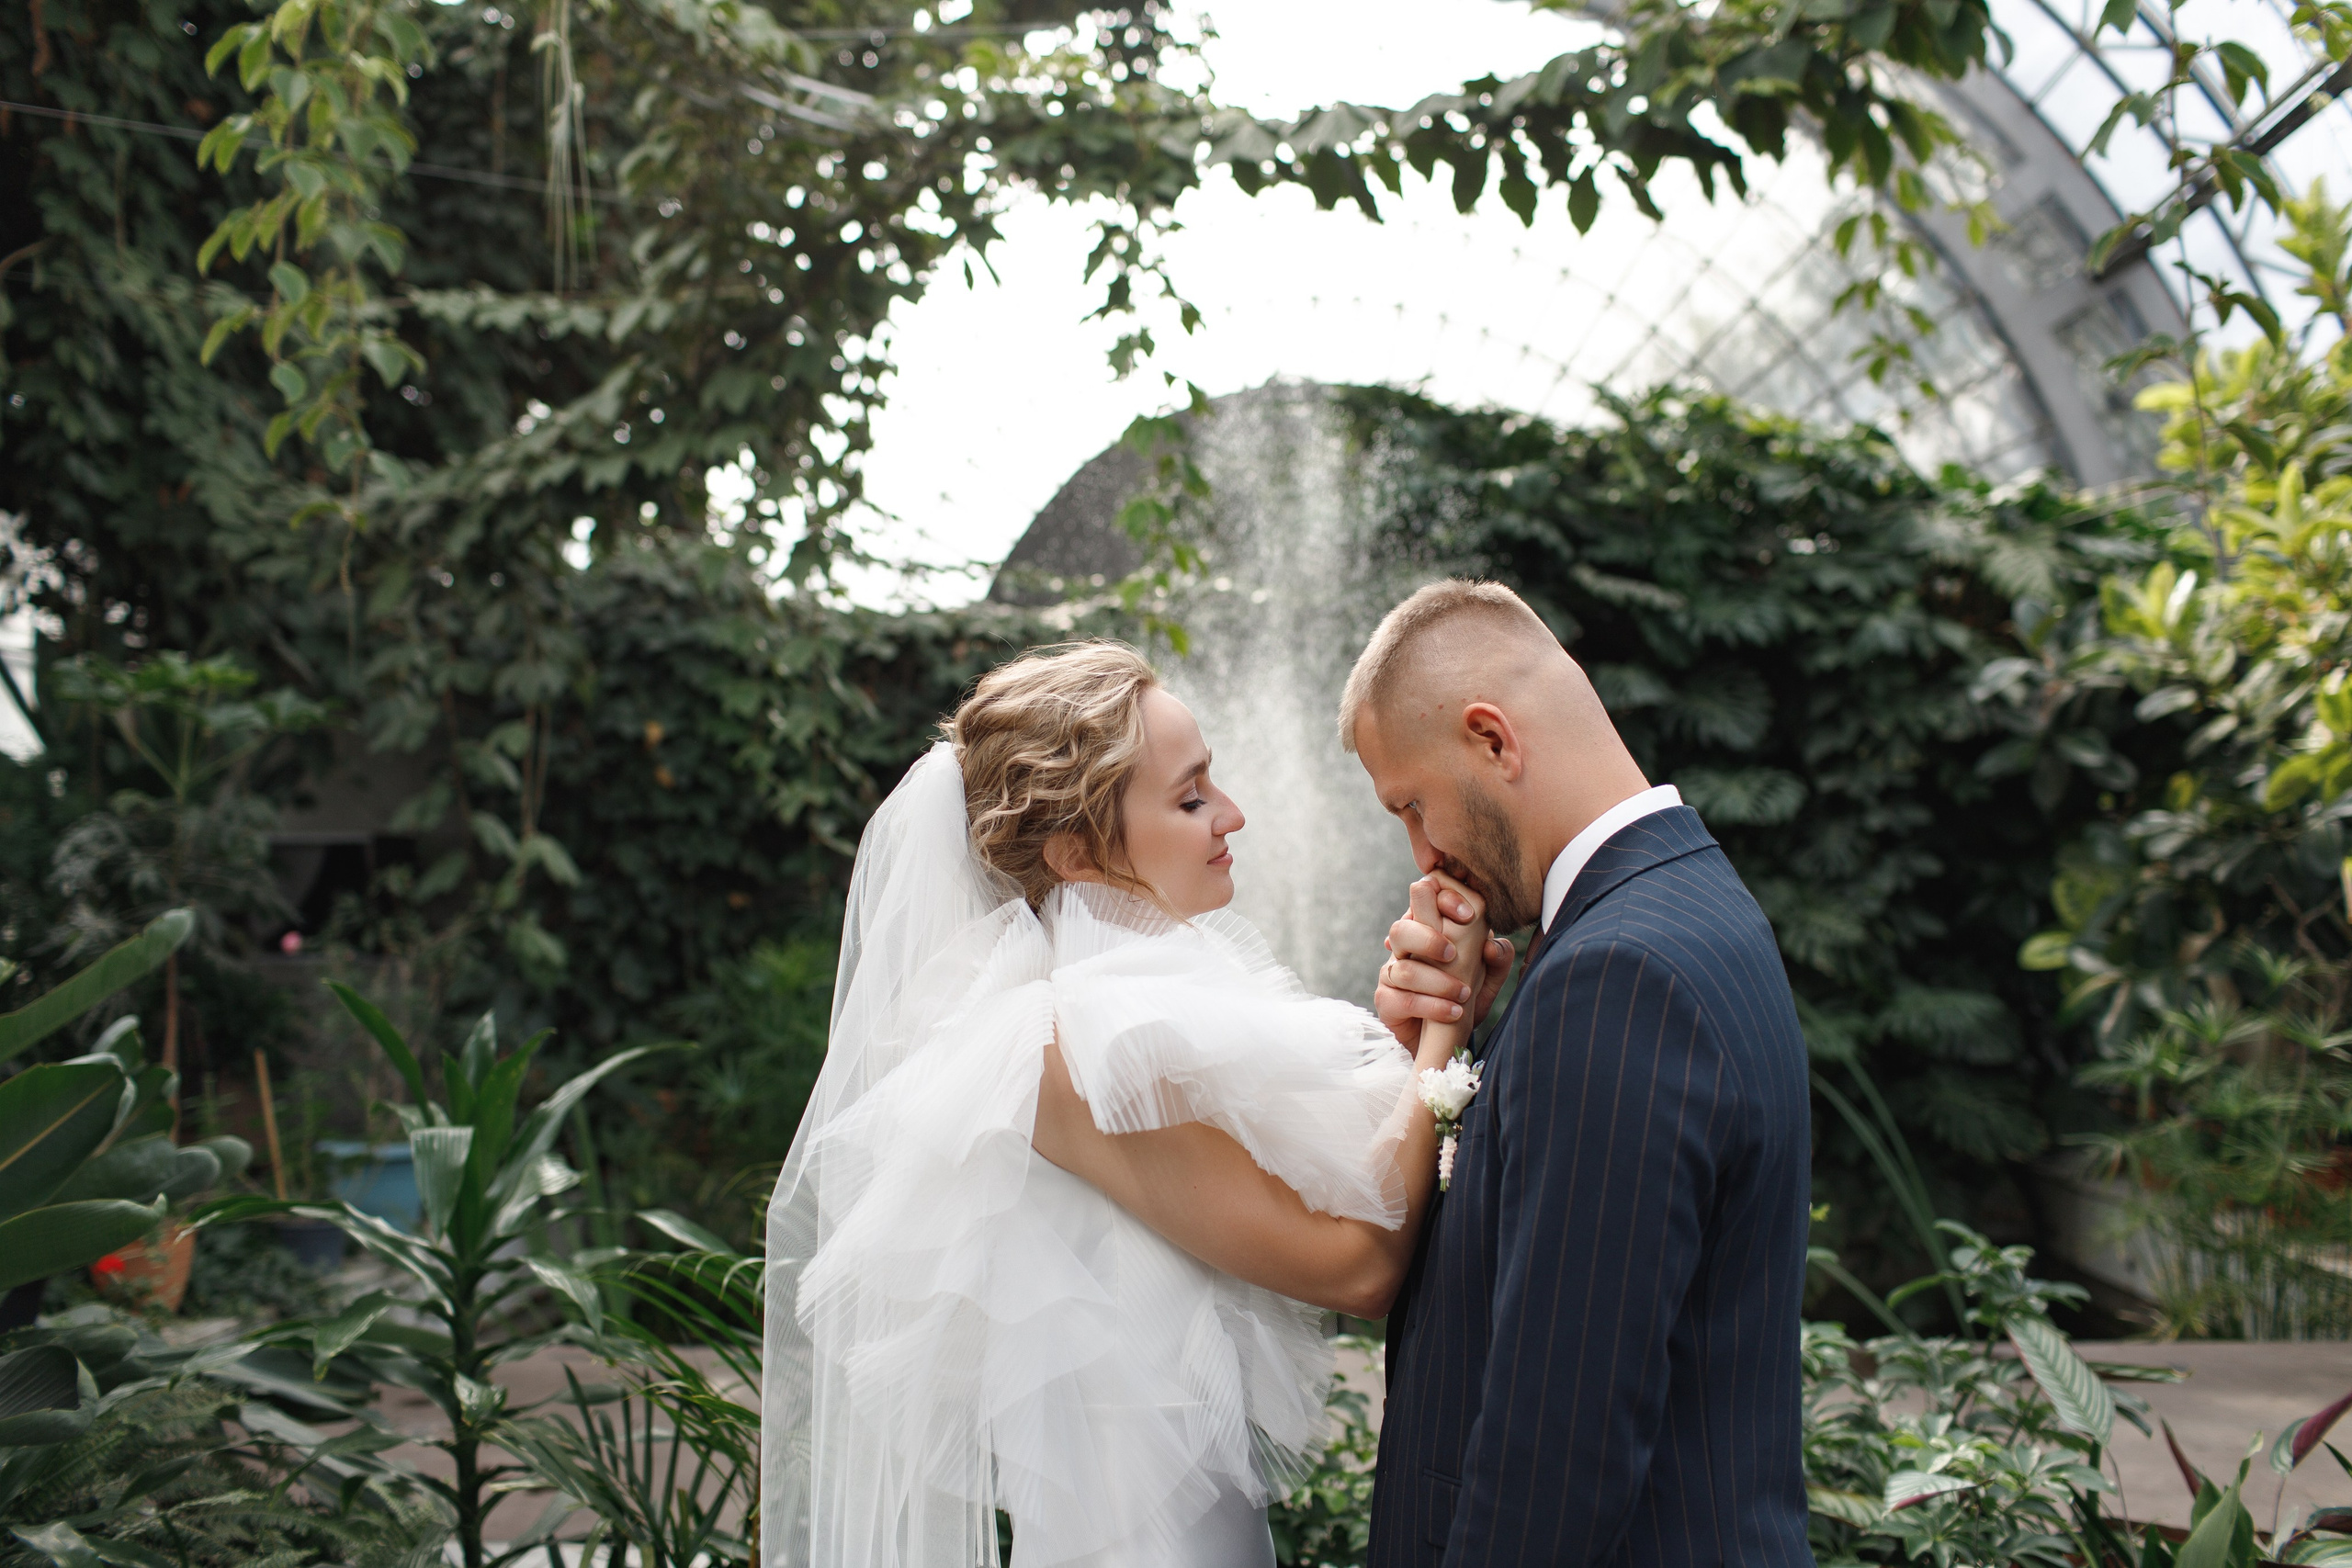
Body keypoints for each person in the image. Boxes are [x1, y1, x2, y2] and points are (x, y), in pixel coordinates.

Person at [760, 640, 1489, 1568]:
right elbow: (1355, 1266)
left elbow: (1332, 1187)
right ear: (1074, 854)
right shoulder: (1068, 1050)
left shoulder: (1131, 1011)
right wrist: (1444, 1029)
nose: (1232, 814)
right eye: (1189, 799)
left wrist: (1412, 1034)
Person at [1351, 580, 1814, 1568]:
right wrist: (1446, 1042)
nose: (1422, 853)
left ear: (1493, 740)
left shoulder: (1616, 976)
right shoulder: (1684, 905)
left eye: (1413, 805)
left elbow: (1554, 1463)